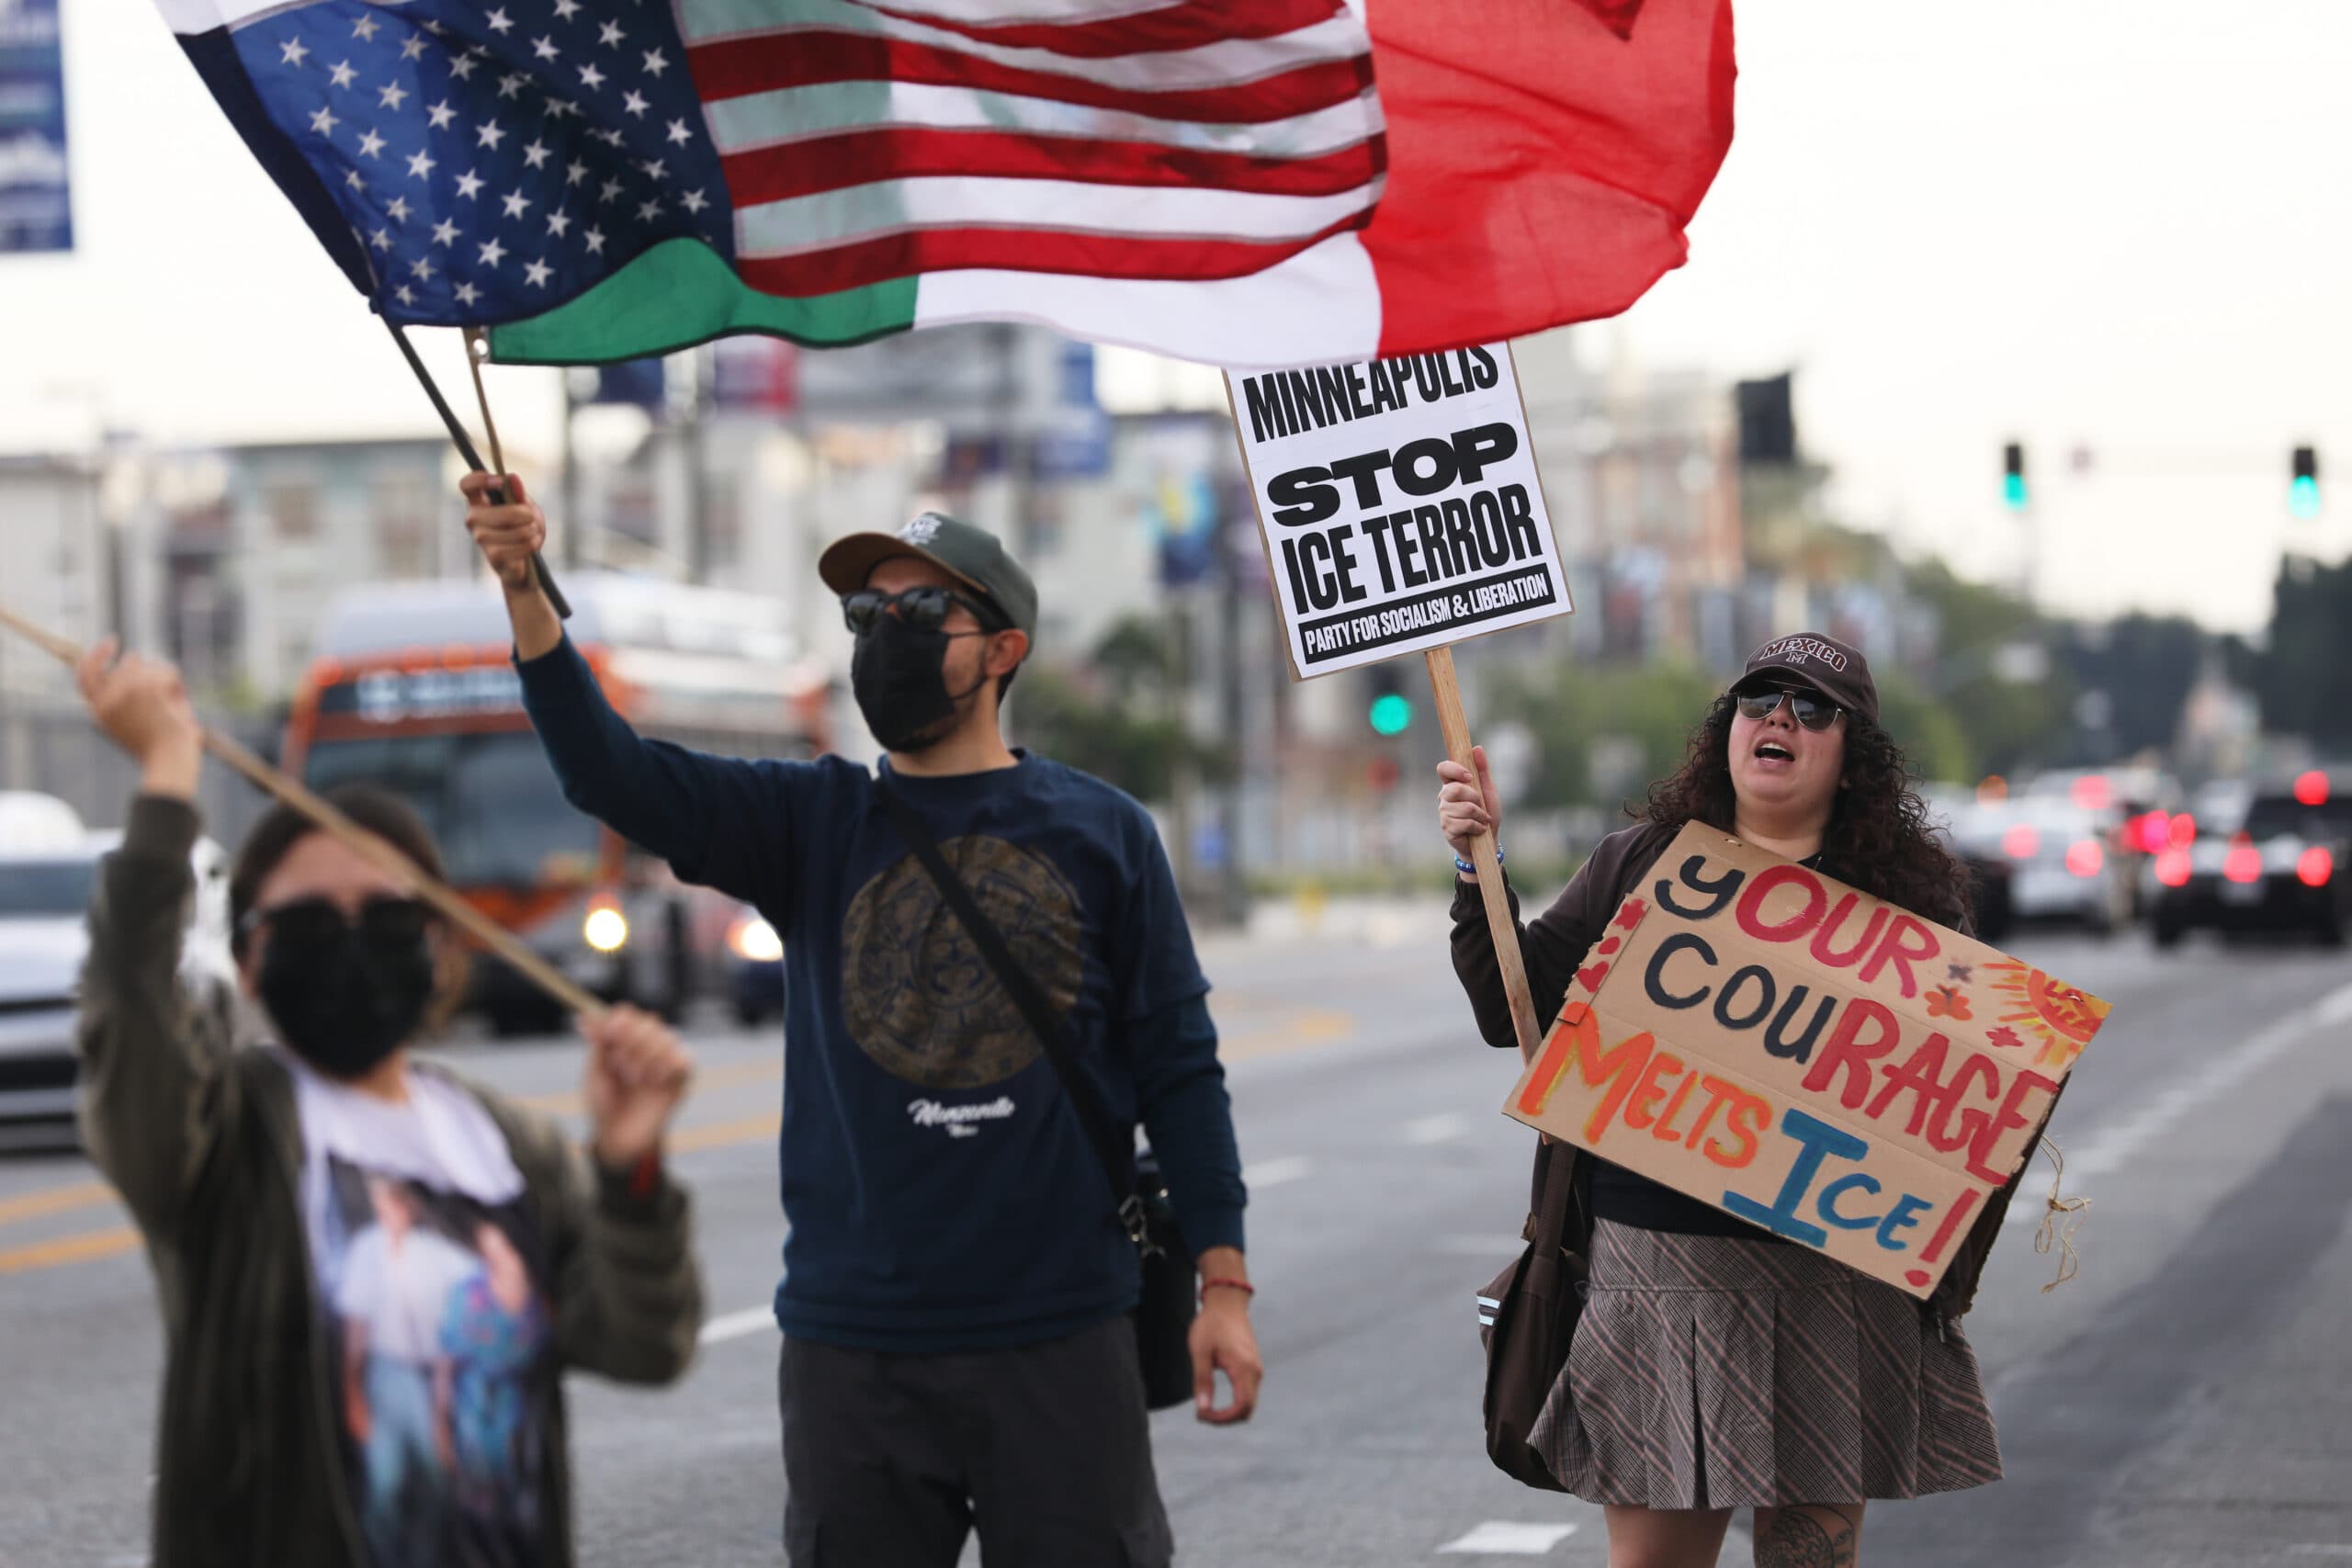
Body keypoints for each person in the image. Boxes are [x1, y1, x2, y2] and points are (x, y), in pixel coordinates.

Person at [462, 475, 1261, 1568]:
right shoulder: (809, 821)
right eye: (865, 613)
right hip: (856, 1354)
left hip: (1062, 1340)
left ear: (1003, 650)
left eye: (923, 612)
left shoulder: (1103, 832)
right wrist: (524, 589)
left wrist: (1222, 1282)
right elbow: (611, 772)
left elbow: (1179, 1067)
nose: (885, 634)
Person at [72, 637, 704, 1568]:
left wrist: (628, 1169)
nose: (352, 939)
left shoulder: (504, 1143)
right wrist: (168, 779)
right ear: (251, 956)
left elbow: (645, 1345)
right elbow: (132, 1018)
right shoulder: (227, 1136)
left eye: (390, 916)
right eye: (311, 921)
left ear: (444, 947)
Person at [1440, 634, 2007, 1568]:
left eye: (1811, 706)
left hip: (1830, 1283)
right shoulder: (1638, 863)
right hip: (1658, 1278)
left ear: (1851, 752)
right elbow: (1519, 1014)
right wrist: (1477, 867)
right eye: (1757, 699)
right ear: (1728, 730)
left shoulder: (1903, 907)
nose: (1778, 716)